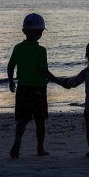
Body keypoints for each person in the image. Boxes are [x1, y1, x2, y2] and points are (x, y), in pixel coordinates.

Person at [8, 13, 59, 159]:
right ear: (40, 32)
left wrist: (11, 80)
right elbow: (43, 70)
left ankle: (17, 141)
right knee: (40, 121)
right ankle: (40, 148)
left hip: (23, 88)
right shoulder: (41, 50)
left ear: (24, 31)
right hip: (38, 89)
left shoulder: (17, 48)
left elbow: (11, 65)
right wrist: (58, 80)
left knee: (23, 119)